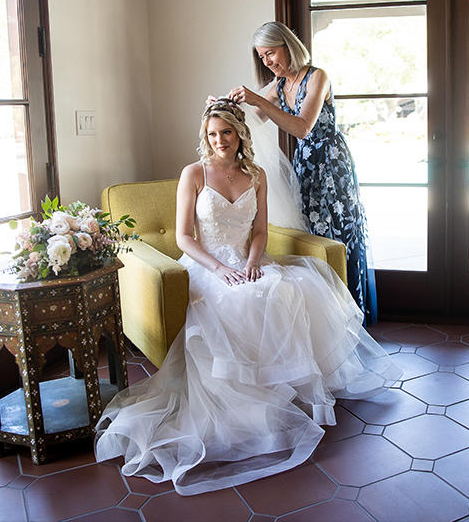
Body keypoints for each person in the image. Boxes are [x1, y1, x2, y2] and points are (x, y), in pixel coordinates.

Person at [94, 98, 401, 495]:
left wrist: (254, 261)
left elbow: (260, 229)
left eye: (226, 132)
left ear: (240, 133)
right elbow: (184, 237)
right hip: (206, 267)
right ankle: (251, 405)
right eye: (212, 134)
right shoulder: (194, 174)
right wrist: (220, 269)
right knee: (238, 300)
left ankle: (283, 392)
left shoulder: (255, 174)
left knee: (284, 288)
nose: (220, 140)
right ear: (204, 137)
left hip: (249, 260)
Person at [229, 21, 377, 325]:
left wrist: (257, 98)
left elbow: (302, 126)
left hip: (331, 164)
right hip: (306, 164)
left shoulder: (316, 77)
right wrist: (222, 108)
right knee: (312, 232)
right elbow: (251, 123)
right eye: (262, 58)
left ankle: (351, 313)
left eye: (270, 53)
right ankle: (326, 315)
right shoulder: (279, 86)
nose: (268, 62)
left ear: (288, 46)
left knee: (338, 232)